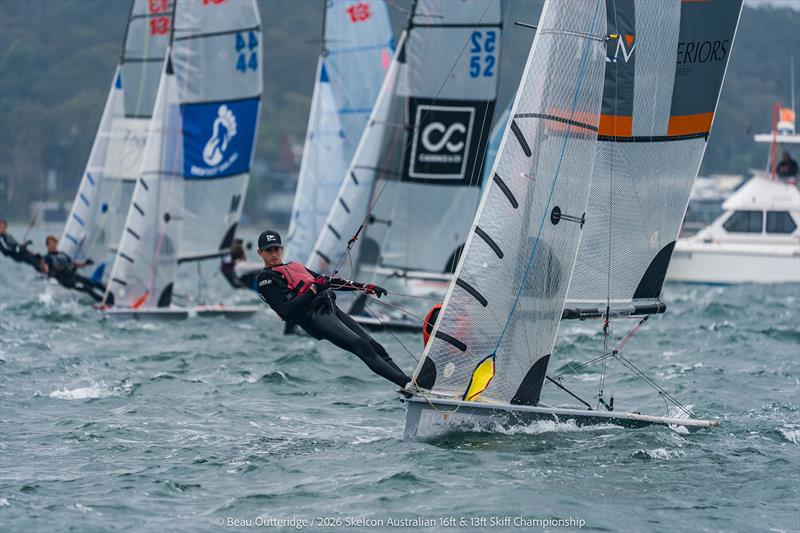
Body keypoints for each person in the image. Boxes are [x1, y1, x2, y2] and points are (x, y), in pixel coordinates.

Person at [255, 229, 411, 388]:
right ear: (260, 252)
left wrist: (364, 287)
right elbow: (285, 310)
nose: (274, 254)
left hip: (331, 309)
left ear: (282, 249)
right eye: (269, 250)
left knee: (374, 345)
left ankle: (410, 383)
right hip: (315, 318)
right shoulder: (265, 280)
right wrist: (314, 290)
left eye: (277, 249)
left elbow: (327, 281)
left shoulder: (294, 266)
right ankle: (405, 384)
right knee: (360, 346)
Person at [42, 235, 112, 303]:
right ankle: (105, 302)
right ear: (47, 246)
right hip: (67, 281)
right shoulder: (47, 257)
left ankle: (111, 296)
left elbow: (74, 264)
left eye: (54, 243)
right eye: (51, 244)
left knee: (94, 282)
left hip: (75, 276)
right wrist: (48, 274)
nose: (53, 245)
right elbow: (44, 267)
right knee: (87, 289)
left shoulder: (62, 254)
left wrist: (86, 263)